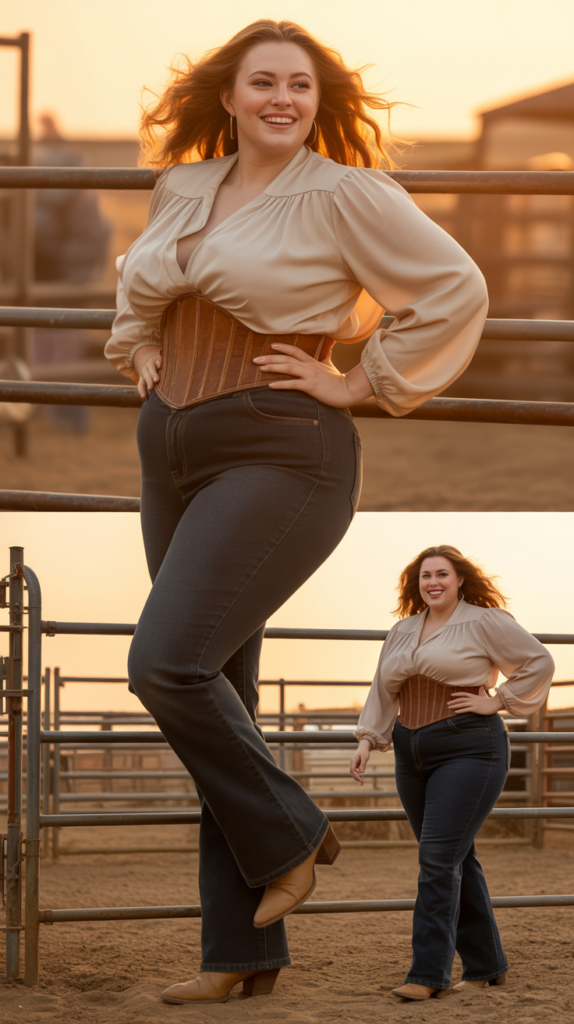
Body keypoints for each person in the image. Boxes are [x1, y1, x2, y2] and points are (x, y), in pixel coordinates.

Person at [104, 20, 488, 1007]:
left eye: (300, 87)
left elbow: (454, 287)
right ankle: (239, 956)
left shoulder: (344, 192)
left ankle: (297, 830)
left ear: (317, 104)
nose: (282, 98)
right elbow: (139, 285)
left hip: (282, 450)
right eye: (262, 82)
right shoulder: (182, 185)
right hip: (169, 447)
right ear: (228, 96)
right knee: (214, 696)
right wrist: (139, 342)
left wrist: (361, 380)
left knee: (164, 663)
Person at [351, 545, 554, 1001]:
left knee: (437, 860)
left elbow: (538, 661)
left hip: (470, 746)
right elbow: (382, 689)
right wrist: (368, 739)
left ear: (460, 579)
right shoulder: (401, 631)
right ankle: (486, 965)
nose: (433, 582)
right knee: (455, 857)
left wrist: (497, 700)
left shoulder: (485, 620)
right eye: (425, 575)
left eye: (442, 573)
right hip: (410, 750)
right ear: (416, 582)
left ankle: (428, 973)